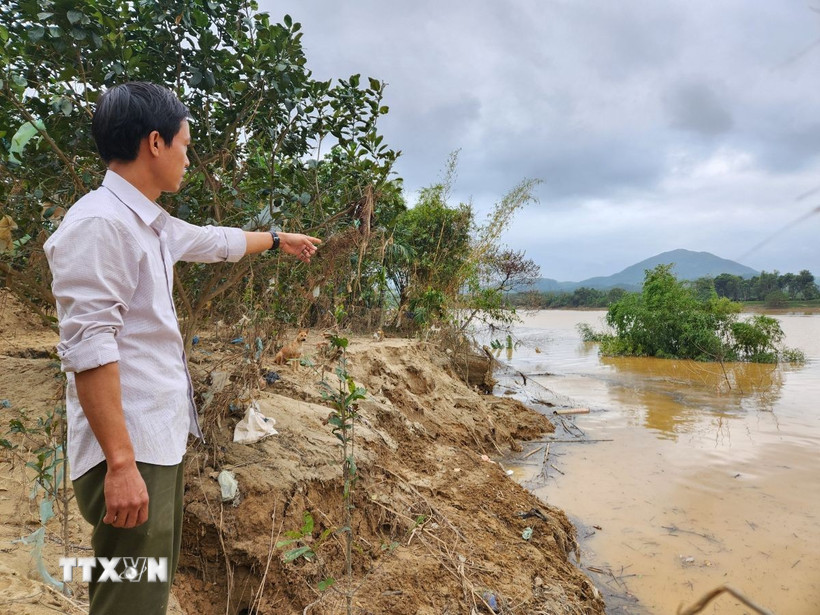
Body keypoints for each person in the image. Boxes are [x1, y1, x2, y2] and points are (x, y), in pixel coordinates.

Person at [44, 81, 321, 614]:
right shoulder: (100, 225)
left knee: (143, 593)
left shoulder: (147, 222)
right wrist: (121, 465)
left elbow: (215, 241)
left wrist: (277, 240)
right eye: (186, 146)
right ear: (155, 143)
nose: (188, 158)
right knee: (129, 602)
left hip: (154, 444)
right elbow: (89, 349)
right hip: (128, 454)